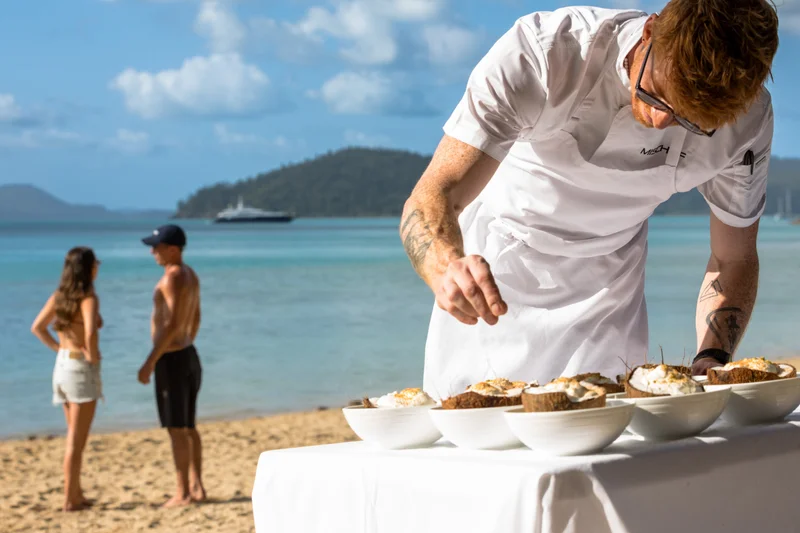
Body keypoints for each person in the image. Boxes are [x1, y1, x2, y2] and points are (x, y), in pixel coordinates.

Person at [401, 1, 779, 398]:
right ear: (649, 32)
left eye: (690, 120)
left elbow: (734, 258)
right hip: (498, 273)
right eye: (655, 95)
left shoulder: (747, 121)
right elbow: (435, 193)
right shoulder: (546, 52)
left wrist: (712, 356)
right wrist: (445, 267)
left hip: (611, 292)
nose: (660, 122)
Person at [136, 224, 205, 507]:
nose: (152, 252)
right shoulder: (190, 274)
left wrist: (150, 361)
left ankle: (182, 493)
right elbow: (196, 317)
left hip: (173, 359)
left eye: (157, 247)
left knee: (177, 429)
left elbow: (173, 323)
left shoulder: (174, 276)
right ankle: (197, 486)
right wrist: (186, 343)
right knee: (188, 426)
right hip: (188, 354)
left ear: (173, 249)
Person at [31, 247, 103, 512]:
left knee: (74, 434)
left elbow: (38, 327)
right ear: (89, 268)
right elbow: (90, 333)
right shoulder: (88, 298)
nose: (98, 266)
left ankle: (77, 492)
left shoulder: (60, 296)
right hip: (80, 369)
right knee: (76, 440)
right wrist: (92, 356)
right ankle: (70, 498)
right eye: (96, 263)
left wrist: (58, 349)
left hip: (62, 366)